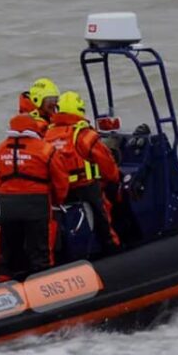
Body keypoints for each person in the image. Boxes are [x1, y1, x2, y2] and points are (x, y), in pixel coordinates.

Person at [0, 113, 70, 280]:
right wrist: (59, 200)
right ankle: (42, 279)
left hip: (8, 204)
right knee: (40, 247)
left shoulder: (0, 149)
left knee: (9, 243)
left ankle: (5, 275)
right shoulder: (45, 149)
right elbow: (61, 180)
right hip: (36, 203)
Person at [45, 91, 121, 256]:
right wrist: (115, 177)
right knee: (102, 214)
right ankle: (110, 248)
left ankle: (63, 254)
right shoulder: (84, 134)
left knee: (60, 221)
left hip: (61, 191)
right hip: (85, 187)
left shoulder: (48, 134)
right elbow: (106, 164)